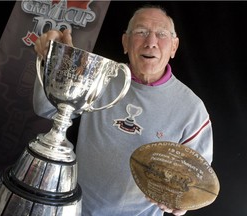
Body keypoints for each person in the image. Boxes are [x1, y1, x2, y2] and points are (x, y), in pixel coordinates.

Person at [33, 4, 213, 216]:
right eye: (141, 32)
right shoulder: (100, 77)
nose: (151, 42)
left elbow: (198, 182)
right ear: (125, 42)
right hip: (70, 209)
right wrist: (54, 59)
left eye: (161, 34)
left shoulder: (192, 109)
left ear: (174, 47)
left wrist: (180, 204)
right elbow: (45, 109)